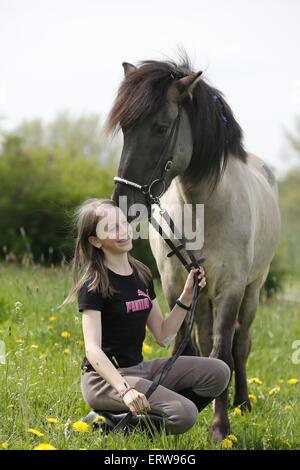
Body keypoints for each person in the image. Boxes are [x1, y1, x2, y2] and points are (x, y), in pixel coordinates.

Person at [61, 198, 231, 435]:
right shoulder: (94, 283)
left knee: (219, 372)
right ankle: (107, 426)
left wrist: (187, 294)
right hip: (104, 382)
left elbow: (163, 334)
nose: (123, 231)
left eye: (123, 223)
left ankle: (134, 413)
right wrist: (125, 390)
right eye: (112, 228)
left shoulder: (141, 274)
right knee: (185, 415)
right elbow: (93, 350)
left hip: (139, 369)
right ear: (95, 240)